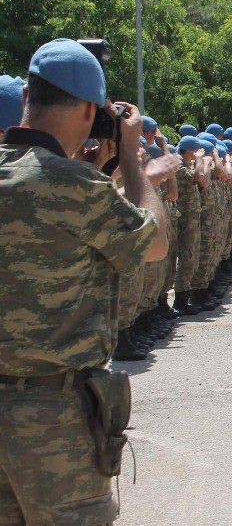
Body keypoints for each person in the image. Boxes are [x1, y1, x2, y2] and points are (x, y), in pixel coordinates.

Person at [0, 38, 169, 523]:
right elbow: (153, 242)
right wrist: (132, 156)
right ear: (90, 113)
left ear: (28, 99)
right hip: (52, 422)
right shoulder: (74, 187)